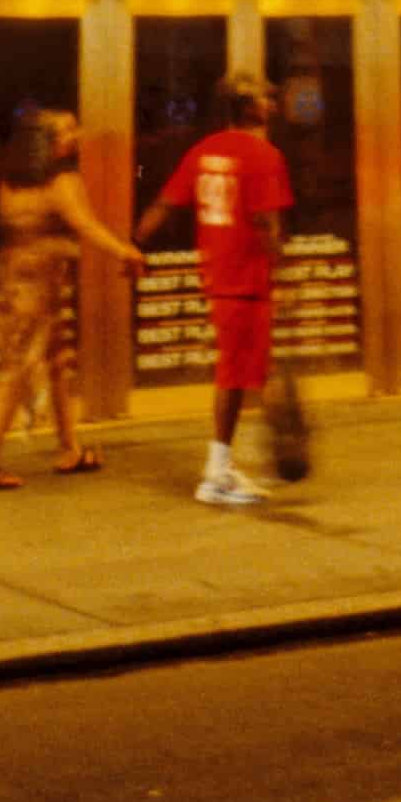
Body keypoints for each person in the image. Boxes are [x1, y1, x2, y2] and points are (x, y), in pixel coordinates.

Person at [0, 105, 143, 489]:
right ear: (43, 141)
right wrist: (125, 251)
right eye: (65, 132)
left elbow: (28, 232)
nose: (75, 137)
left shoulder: (11, 184)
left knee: (56, 359)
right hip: (38, 286)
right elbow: (85, 225)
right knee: (16, 372)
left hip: (13, 277)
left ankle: (69, 447)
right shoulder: (62, 182)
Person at [136, 76, 292, 508]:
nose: (270, 102)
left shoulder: (203, 151)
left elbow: (165, 204)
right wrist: (281, 275)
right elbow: (267, 224)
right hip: (248, 280)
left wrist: (135, 244)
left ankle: (235, 463)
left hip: (218, 275)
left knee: (247, 371)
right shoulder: (264, 155)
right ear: (246, 107)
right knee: (234, 375)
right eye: (262, 97)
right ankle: (217, 473)